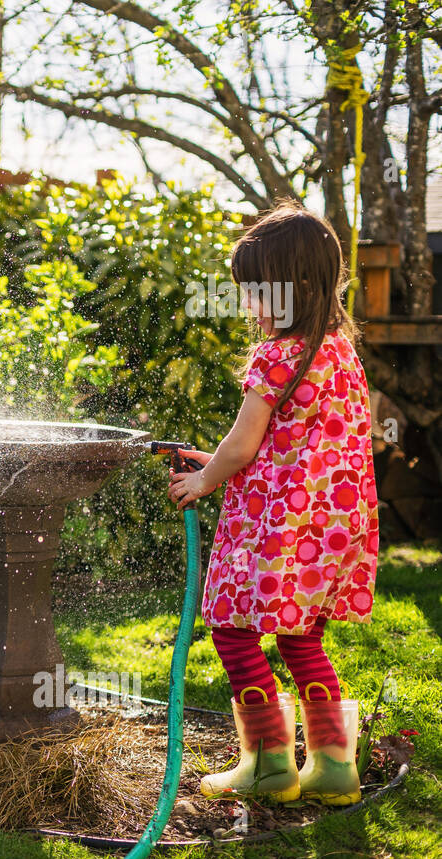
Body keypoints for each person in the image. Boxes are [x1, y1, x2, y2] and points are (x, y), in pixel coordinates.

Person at [168, 202, 378, 806]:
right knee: (302, 639)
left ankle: (267, 763)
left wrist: (204, 478)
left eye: (258, 291)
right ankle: (335, 767)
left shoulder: (278, 355)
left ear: (296, 288)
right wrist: (214, 459)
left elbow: (244, 444)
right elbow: (290, 450)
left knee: (232, 632)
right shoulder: (341, 355)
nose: (249, 304)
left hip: (276, 529)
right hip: (330, 529)